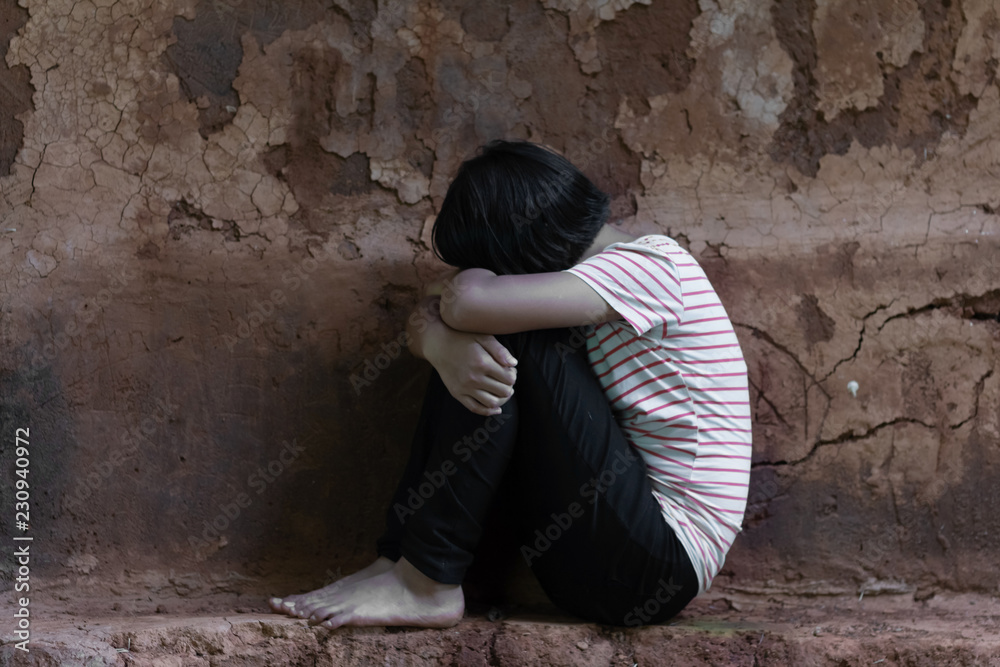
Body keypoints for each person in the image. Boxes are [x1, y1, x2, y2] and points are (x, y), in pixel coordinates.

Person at [269, 140, 751, 629]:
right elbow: (442, 301)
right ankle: (401, 561)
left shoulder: (652, 267)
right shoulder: (586, 280)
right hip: (589, 562)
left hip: (655, 565)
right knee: (483, 337)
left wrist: (452, 326)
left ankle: (427, 584)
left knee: (504, 336)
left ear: (518, 258)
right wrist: (441, 346)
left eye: (492, 265)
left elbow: (465, 303)